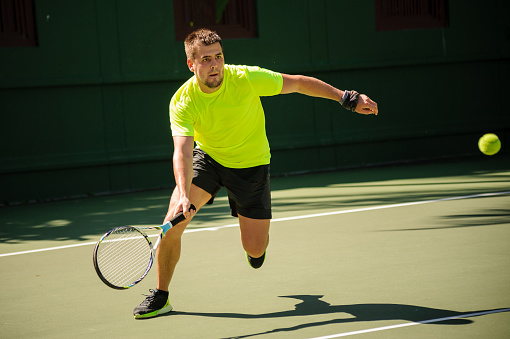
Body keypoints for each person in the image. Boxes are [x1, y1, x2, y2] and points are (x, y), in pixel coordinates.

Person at [133, 28, 378, 319]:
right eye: (206, 59)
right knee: (172, 224)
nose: (215, 64)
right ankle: (161, 296)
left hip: (251, 166)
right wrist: (184, 195)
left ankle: (255, 253)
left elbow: (298, 84)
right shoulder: (183, 101)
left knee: (255, 248)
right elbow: (183, 151)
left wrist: (347, 98)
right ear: (192, 64)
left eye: (219, 57)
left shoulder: (245, 78)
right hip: (208, 159)